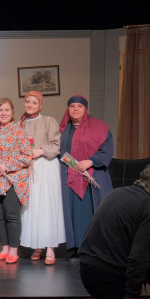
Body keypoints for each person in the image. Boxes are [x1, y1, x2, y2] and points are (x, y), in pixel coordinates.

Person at [79, 162, 150, 299]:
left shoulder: (117, 193)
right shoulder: (149, 210)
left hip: (86, 269)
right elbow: (138, 259)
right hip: (109, 275)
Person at [59, 95, 114, 259]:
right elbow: (57, 150)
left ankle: (94, 247)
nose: (75, 109)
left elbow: (107, 148)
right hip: (69, 176)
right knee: (74, 214)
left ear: (85, 109)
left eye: (80, 106)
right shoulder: (63, 129)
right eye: (72, 106)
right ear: (68, 109)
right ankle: (77, 247)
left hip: (92, 175)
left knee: (92, 211)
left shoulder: (99, 127)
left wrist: (90, 161)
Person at [0, 98, 32, 264]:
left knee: (12, 216)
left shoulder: (19, 131)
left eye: (7, 110)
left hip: (12, 181)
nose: (3, 113)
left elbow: (27, 156)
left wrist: (6, 165)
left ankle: (14, 251)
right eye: (0, 110)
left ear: (12, 112)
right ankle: (4, 249)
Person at [18, 91, 65, 265]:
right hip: (27, 168)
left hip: (46, 165)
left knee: (46, 206)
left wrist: (41, 151)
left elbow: (57, 144)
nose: (30, 105)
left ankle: (50, 247)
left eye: (34, 102)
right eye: (27, 102)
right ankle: (37, 245)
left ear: (41, 105)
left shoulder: (48, 121)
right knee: (32, 207)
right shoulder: (19, 124)